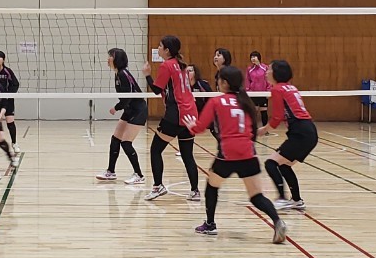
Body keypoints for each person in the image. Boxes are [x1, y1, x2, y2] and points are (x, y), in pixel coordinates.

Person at [182, 65, 286, 242]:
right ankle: (277, 221)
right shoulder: (246, 102)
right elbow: (252, 131)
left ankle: (210, 224)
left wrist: (191, 126)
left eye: (219, 80)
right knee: (257, 196)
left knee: (212, 187)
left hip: (227, 154)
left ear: (224, 83)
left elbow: (200, 128)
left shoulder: (216, 101)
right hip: (248, 154)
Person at [143, 35, 201, 202]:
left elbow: (156, 89)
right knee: (187, 155)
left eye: (160, 46)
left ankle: (158, 186)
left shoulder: (167, 65)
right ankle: (195, 191)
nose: (158, 48)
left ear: (167, 50)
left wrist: (147, 75)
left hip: (176, 115)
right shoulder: (182, 65)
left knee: (155, 150)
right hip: (191, 114)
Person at [257, 59, 319, 211]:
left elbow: (277, 117)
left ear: (277, 73)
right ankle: (297, 200)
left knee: (271, 163)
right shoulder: (291, 88)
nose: (266, 72)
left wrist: (263, 130)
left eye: (269, 69)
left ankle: (282, 199)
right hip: (309, 131)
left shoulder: (277, 89)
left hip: (301, 132)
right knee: (284, 165)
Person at [96, 47, 146, 184]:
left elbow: (128, 97)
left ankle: (139, 175)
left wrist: (116, 108)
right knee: (115, 139)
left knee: (126, 143)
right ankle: (110, 172)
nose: (108, 59)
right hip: (130, 109)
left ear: (117, 59)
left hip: (138, 110)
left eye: (110, 56)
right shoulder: (118, 74)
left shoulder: (124, 74)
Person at [0, 50, 22, 154]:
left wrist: (8, 95)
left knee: (10, 122)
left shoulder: (7, 71)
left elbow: (15, 84)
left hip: (8, 101)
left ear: (3, 60)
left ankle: (14, 143)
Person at [246, 51, 270, 116]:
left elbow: (268, 80)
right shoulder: (249, 69)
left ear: (258, 58)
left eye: (254, 57)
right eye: (251, 57)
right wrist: (248, 91)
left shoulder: (265, 68)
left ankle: (264, 123)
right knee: (254, 111)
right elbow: (247, 81)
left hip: (263, 93)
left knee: (264, 111)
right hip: (253, 93)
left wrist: (268, 90)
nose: (253, 58)